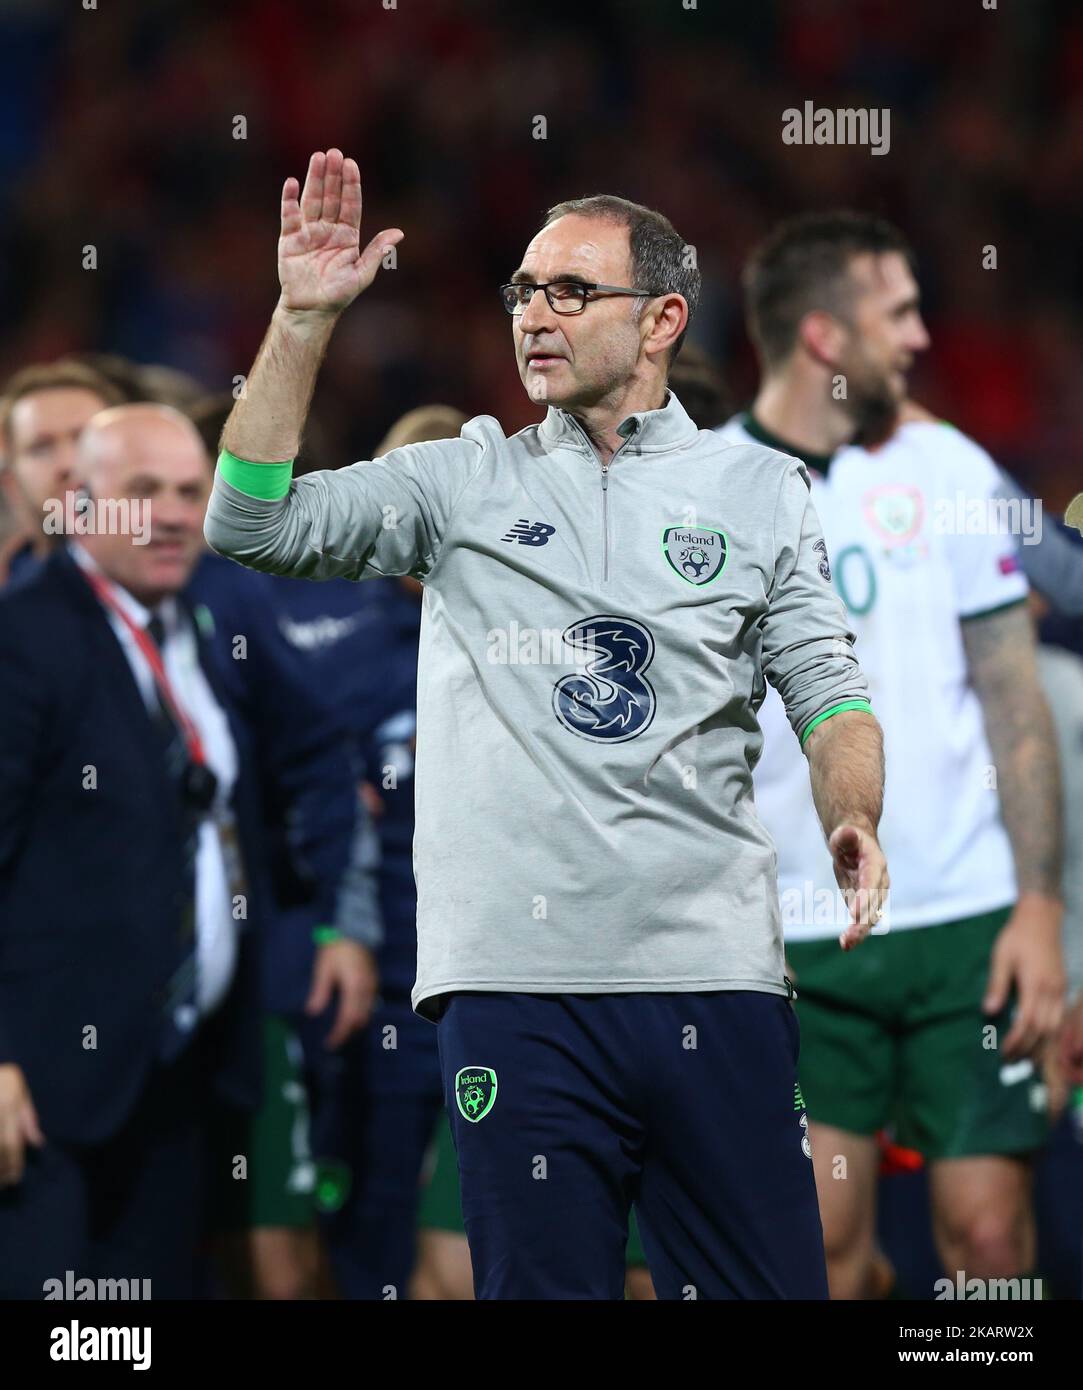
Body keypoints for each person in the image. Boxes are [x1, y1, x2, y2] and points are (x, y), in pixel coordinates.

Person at [203, 148, 888, 1301]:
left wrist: (853, 811)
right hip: (515, 989)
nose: (535, 315)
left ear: (663, 317)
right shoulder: (459, 481)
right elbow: (248, 522)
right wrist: (303, 317)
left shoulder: (761, 492)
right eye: (523, 291)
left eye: (572, 291)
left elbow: (828, 688)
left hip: (711, 978)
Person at [718, 211, 1066, 1299]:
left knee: (992, 1241)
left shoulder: (947, 465)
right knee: (825, 1247)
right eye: (900, 312)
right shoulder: (706, 488)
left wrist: (1045, 909)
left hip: (969, 919)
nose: (922, 337)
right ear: (825, 336)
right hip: (799, 935)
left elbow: (1017, 700)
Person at [0, 403, 264, 1298]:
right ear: (78, 503)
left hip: (178, 1081)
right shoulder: (24, 635)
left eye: (191, 492)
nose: (175, 514)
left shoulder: (195, 627)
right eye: (142, 491)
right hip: (43, 1095)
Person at [0, 361, 123, 588]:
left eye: (87, 438)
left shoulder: (199, 586)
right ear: (11, 484)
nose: (68, 464)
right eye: (41, 448)